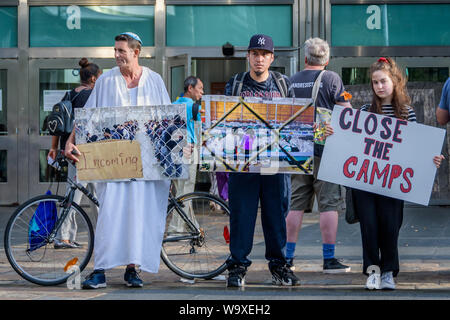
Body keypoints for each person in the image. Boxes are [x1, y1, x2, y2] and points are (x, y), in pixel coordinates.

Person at [65, 32, 172, 289]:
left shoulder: (154, 81)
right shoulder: (106, 82)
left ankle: (132, 270)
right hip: (114, 161)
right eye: (115, 50)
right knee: (109, 214)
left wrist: (178, 150)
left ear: (136, 52)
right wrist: (71, 141)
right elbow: (87, 118)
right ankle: (100, 270)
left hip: (146, 165)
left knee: (140, 215)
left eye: (121, 51)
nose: (117, 55)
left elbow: (169, 120)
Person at [352, 57, 444, 290]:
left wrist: (430, 159)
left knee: (390, 227)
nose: (379, 86)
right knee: (369, 228)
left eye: (383, 81)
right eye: (375, 82)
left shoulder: (406, 113)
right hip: (366, 180)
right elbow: (353, 143)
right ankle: (372, 271)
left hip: (392, 182)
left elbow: (415, 148)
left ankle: (388, 272)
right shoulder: (365, 111)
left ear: (395, 81)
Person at [224, 34, 299, 287]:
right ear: (248, 56)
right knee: (241, 216)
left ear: (271, 58)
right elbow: (223, 123)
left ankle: (279, 266)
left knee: (275, 217)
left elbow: (296, 123)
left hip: (274, 164)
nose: (259, 58)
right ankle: (237, 267)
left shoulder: (283, 84)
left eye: (264, 54)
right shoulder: (235, 84)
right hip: (242, 163)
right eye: (254, 53)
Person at [285, 37, 352, 273]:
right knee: (328, 205)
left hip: (297, 152)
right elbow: (346, 114)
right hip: (325, 151)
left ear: (305, 59)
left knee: (295, 205)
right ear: (327, 60)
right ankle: (329, 259)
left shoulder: (291, 81)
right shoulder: (331, 78)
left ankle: (288, 257)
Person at [47, 58, 101, 249]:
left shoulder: (69, 94)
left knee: (90, 194)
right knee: (80, 195)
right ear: (94, 78)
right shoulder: (92, 95)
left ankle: (72, 235)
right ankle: (62, 237)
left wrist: (54, 148)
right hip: (84, 151)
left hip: (70, 151)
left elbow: (56, 125)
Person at [168, 76, 204, 233]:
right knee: (186, 191)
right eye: (200, 88)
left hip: (174, 150)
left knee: (180, 190)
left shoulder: (173, 104)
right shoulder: (194, 107)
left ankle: (193, 227)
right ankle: (176, 227)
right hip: (190, 149)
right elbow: (199, 131)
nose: (202, 92)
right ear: (190, 88)